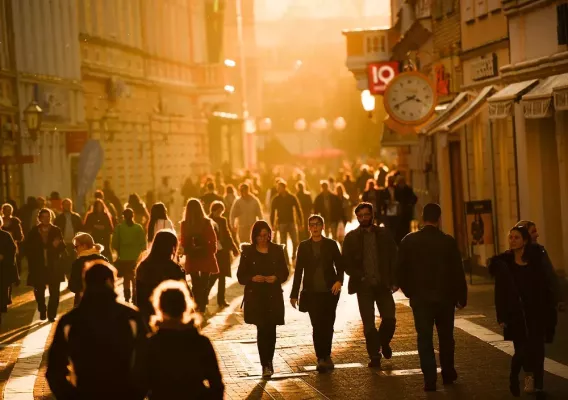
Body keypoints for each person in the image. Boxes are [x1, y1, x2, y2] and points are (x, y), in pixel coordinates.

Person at [46, 262, 148, 400]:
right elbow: (146, 361)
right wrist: (135, 394)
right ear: (110, 282)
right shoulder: (130, 316)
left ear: (85, 283)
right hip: (123, 392)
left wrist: (70, 396)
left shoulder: (70, 320)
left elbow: (54, 369)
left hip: (85, 392)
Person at [397, 203, 468, 391]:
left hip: (421, 299)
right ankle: (448, 372)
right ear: (439, 218)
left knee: (424, 338)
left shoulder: (409, 241)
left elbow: (400, 269)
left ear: (422, 218)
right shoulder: (448, 241)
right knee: (446, 337)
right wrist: (461, 296)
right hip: (445, 298)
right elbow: (457, 272)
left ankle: (429, 378)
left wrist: (409, 290)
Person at [489, 226, 559, 398]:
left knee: (537, 348)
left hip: (536, 311)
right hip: (515, 314)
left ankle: (537, 382)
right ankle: (516, 376)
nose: (512, 240)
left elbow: (546, 285)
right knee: (521, 350)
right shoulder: (504, 263)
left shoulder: (536, 260)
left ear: (525, 240)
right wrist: (501, 316)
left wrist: (552, 304)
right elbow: (500, 293)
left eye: (516, 237)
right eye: (511, 237)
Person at [145, 280, 224, 399]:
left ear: (159, 308)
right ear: (186, 307)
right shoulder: (200, 341)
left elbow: (140, 382)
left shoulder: (152, 343)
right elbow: (216, 381)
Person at [342, 202, 398, 368]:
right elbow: (346, 262)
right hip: (363, 287)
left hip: (383, 284)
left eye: (367, 215)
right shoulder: (351, 238)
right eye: (360, 216)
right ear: (357, 217)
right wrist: (360, 276)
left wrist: (394, 281)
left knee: (389, 319)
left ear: (372, 215)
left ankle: (383, 343)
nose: (364, 218)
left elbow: (394, 257)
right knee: (368, 324)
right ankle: (374, 355)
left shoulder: (384, 234)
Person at [290, 215, 344, 372]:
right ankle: (320, 357)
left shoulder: (331, 244)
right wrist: (294, 294)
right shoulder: (304, 246)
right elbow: (298, 271)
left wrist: (339, 281)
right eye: (312, 225)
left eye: (317, 224)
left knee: (328, 325)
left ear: (322, 226)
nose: (315, 227)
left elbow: (340, 266)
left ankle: (327, 355)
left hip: (330, 292)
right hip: (312, 293)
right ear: (308, 228)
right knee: (317, 325)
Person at [237, 221, 289, 378]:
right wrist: (253, 278)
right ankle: (264, 364)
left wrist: (276, 277)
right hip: (256, 295)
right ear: (254, 236)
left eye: (266, 235)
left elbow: (285, 272)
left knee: (271, 330)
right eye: (260, 236)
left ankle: (269, 362)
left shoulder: (277, 250)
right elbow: (240, 276)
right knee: (261, 329)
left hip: (272, 294)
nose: (263, 239)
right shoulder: (248, 252)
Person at [135, 230, 188, 323]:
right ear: (172, 247)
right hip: (169, 317)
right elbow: (185, 296)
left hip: (147, 316)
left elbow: (138, 296)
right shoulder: (174, 268)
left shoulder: (143, 266)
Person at [24, 209, 67, 321]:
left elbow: (63, 247)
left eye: (48, 216)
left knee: (55, 293)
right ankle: (42, 309)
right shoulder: (34, 231)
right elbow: (27, 248)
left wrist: (57, 245)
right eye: (43, 216)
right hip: (38, 266)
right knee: (39, 291)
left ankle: (51, 314)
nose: (46, 218)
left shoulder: (56, 230)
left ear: (50, 217)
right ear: (39, 218)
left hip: (53, 265)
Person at [180, 199, 219, 313]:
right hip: (205, 254)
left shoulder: (185, 223)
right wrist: (212, 250)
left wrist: (186, 250)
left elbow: (183, 240)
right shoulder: (206, 222)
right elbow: (212, 238)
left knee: (195, 281)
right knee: (205, 281)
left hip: (192, 256)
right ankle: (202, 304)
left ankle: (197, 303)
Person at [208, 201, 239, 308]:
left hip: (223, 251)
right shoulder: (207, 221)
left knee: (222, 277)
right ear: (213, 210)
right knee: (213, 276)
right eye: (218, 211)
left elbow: (227, 234)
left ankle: (221, 300)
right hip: (213, 252)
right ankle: (204, 297)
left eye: (221, 211)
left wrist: (234, 247)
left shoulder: (223, 220)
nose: (220, 213)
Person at [113, 209, 147, 303]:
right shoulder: (138, 228)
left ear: (123, 216)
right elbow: (143, 244)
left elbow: (114, 243)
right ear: (133, 216)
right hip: (136, 258)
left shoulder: (119, 228)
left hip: (124, 257)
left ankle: (127, 297)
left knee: (126, 279)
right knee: (135, 279)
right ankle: (135, 297)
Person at [69, 232, 108, 306]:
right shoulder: (103, 259)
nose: (75, 249)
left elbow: (72, 286)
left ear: (84, 246)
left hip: (83, 301)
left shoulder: (78, 263)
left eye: (76, 246)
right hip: (101, 301)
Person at [270, 180, 303, 264]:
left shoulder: (292, 197)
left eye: (280, 187)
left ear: (284, 187)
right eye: (278, 188)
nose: (278, 189)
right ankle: (287, 262)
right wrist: (272, 224)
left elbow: (298, 210)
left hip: (291, 223)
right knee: (283, 244)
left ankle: (293, 255)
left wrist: (301, 223)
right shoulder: (276, 199)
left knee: (295, 242)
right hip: (281, 224)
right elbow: (272, 212)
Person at [54, 198, 83, 280]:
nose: (67, 206)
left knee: (75, 261)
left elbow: (81, 229)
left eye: (69, 204)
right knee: (66, 262)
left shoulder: (76, 217)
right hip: (64, 243)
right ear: (62, 206)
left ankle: (74, 278)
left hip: (75, 243)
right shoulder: (59, 218)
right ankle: (69, 278)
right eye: (65, 205)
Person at [0, 215, 18, 318]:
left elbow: (12, 249)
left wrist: (4, 256)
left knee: (3, 286)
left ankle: (2, 304)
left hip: (3, 267)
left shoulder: (6, 235)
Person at [2, 203, 24, 281]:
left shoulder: (15, 221)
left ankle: (16, 278)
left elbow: (20, 235)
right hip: (1, 245)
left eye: (9, 210)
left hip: (13, 243)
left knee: (15, 260)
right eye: (6, 210)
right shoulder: (0, 220)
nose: (7, 212)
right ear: (2, 211)